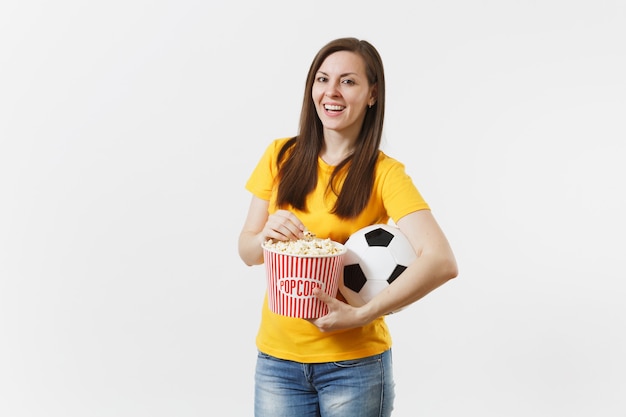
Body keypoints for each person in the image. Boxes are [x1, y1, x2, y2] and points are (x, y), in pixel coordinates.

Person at [238, 37, 458, 417]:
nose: (331, 92)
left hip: (354, 368)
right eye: (322, 79)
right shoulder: (279, 155)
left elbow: (440, 260)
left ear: (372, 94)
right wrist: (265, 235)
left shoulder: (385, 173)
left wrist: (361, 314)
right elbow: (247, 252)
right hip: (277, 362)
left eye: (348, 81)